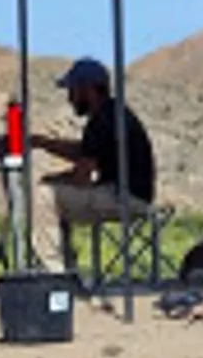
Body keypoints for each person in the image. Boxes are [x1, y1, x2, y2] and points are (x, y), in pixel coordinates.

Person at [29, 56, 157, 269]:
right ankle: (65, 265)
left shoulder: (101, 121)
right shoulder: (113, 113)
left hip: (123, 198)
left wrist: (56, 180)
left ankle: (54, 271)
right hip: (134, 195)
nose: (70, 98)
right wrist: (44, 143)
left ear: (87, 89)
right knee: (56, 194)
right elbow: (86, 151)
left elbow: (82, 176)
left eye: (72, 91)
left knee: (44, 196)